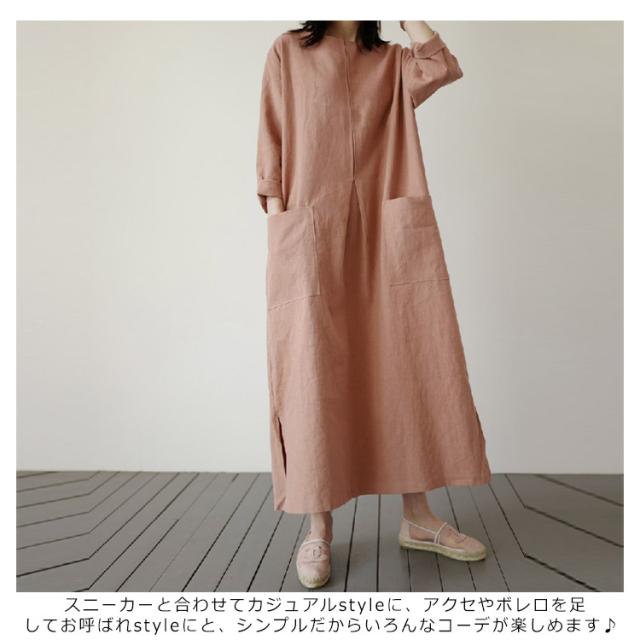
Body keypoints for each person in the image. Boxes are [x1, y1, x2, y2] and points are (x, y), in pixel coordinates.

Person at [256, 20, 492, 589]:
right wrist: (284, 227)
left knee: (405, 358)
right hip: (314, 231)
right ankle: (318, 526)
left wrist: (411, 17)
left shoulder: (391, 62)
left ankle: (418, 517)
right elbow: (271, 143)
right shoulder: (288, 52)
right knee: (314, 371)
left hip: (388, 231)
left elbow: (441, 66)